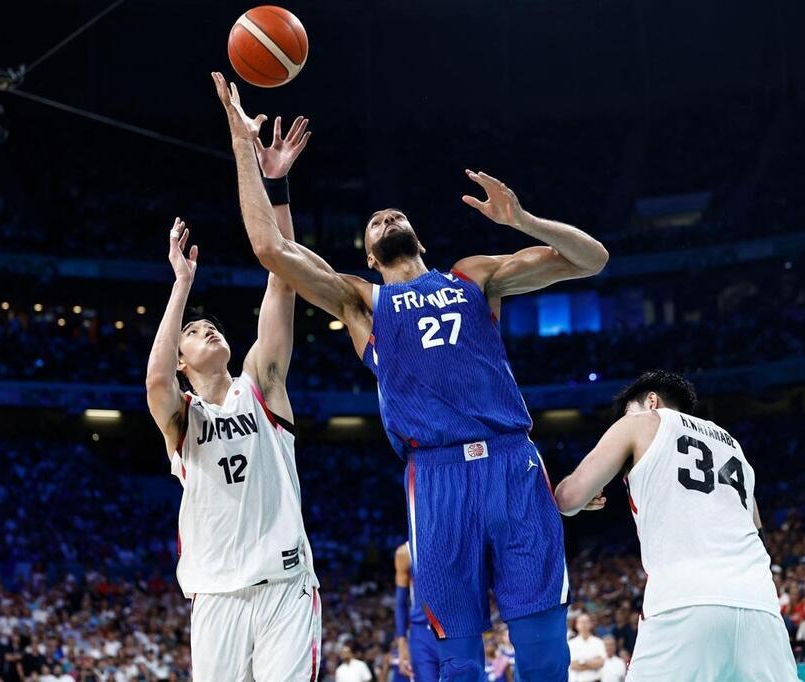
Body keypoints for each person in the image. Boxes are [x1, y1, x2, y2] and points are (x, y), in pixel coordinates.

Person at [213, 71, 609, 682]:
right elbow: (272, 250)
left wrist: (524, 219)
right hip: (437, 477)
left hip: (512, 462)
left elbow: (592, 259)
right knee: (458, 663)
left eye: (392, 214)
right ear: (370, 257)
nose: (384, 216)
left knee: (545, 658)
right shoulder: (362, 303)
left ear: (416, 236)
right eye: (372, 222)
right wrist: (247, 149)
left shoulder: (471, 276)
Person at [144, 114, 320, 681]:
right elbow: (154, 383)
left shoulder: (261, 387)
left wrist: (278, 187)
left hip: (285, 585)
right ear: (180, 358)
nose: (208, 331)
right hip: (216, 595)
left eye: (210, 327)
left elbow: (285, 278)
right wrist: (180, 287)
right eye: (194, 333)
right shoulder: (181, 418)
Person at [553, 370, 799, 681]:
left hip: (685, 602)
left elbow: (569, 498)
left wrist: (577, 496)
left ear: (651, 401)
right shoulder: (733, 446)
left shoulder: (642, 421)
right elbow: (758, 532)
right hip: (760, 605)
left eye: (629, 410)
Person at [395, 541, 441, 681]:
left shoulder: (455, 540)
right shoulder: (405, 552)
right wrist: (402, 643)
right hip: (422, 634)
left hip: (455, 629)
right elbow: (400, 603)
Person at [567, 614, 605, 682]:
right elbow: (572, 665)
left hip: (595, 680)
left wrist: (581, 663)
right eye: (581, 622)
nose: (584, 625)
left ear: (590, 624)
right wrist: (592, 663)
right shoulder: (571, 644)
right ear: (576, 625)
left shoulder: (598, 642)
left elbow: (600, 663)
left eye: (586, 622)